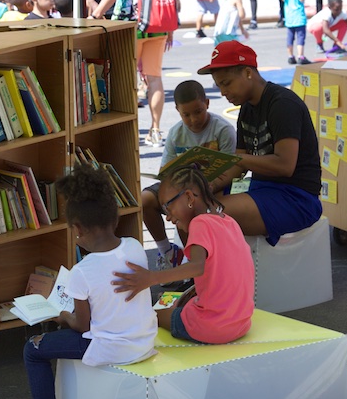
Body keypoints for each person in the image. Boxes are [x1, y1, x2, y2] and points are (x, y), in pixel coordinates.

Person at [15, 164, 157, 399]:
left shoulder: (83, 271)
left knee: (33, 348)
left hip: (109, 346)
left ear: (77, 229)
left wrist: (59, 314)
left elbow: (82, 325)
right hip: (143, 340)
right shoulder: (134, 247)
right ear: (115, 217)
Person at [196, 41, 322, 246]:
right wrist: (207, 185)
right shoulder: (246, 108)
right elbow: (236, 167)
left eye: (226, 83)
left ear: (247, 73)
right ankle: (191, 268)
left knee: (206, 215)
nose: (222, 92)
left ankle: (213, 273)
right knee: (190, 204)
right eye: (219, 85)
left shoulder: (282, 104)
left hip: (297, 198)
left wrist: (241, 160)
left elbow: (285, 165)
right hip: (261, 188)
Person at [113, 165, 255, 345]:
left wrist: (151, 278)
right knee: (178, 302)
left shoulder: (200, 223)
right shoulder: (229, 222)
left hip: (212, 328)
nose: (167, 216)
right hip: (241, 323)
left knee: (153, 312)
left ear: (189, 197)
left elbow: (196, 266)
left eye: (168, 207)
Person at [90, 0, 179, 149]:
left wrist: (97, 12)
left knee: (124, 78)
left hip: (131, 24)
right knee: (155, 78)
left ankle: (128, 133)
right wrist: (171, 27)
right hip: (159, 25)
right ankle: (156, 130)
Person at [143, 80, 236, 272]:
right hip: (179, 187)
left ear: (207, 104)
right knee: (144, 200)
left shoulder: (223, 130)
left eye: (198, 111)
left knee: (184, 206)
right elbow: (166, 173)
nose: (193, 119)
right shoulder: (176, 133)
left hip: (214, 186)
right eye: (186, 115)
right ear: (177, 110)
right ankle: (168, 253)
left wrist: (209, 185)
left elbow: (231, 169)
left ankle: (193, 264)